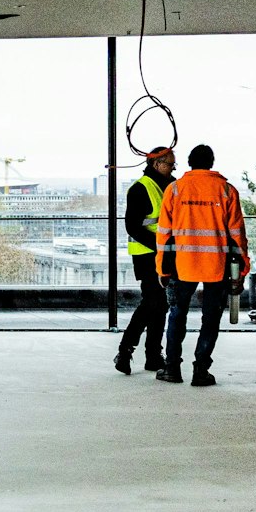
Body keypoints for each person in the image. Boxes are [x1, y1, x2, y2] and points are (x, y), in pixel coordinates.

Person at [156, 143, 246, 386]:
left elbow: (163, 234)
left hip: (182, 265)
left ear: (189, 162)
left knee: (176, 315)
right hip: (216, 266)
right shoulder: (227, 190)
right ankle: (201, 370)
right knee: (210, 319)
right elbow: (237, 234)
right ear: (212, 163)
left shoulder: (175, 189)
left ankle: (172, 368)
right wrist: (242, 269)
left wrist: (162, 268)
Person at [114, 146, 175, 375]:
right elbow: (133, 227)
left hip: (162, 253)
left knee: (160, 305)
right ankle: (126, 349)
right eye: (170, 164)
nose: (173, 168)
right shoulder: (140, 189)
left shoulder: (170, 185)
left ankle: (152, 356)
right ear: (157, 164)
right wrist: (161, 248)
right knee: (153, 302)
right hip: (147, 255)